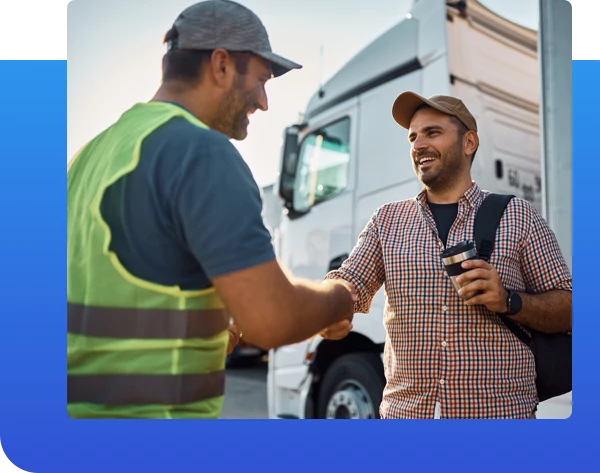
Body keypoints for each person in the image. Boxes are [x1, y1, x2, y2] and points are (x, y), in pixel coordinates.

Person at [67, 0, 356, 419]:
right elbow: (271, 320)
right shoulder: (199, 152)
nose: (264, 101)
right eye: (261, 79)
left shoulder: (87, 158)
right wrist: (340, 298)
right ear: (220, 65)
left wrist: (203, 331)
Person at [320, 92, 572, 419]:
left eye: (432, 133)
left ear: (469, 143)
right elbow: (348, 280)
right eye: (413, 136)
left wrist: (508, 300)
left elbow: (570, 307)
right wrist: (327, 306)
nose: (418, 144)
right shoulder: (387, 220)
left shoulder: (519, 216)